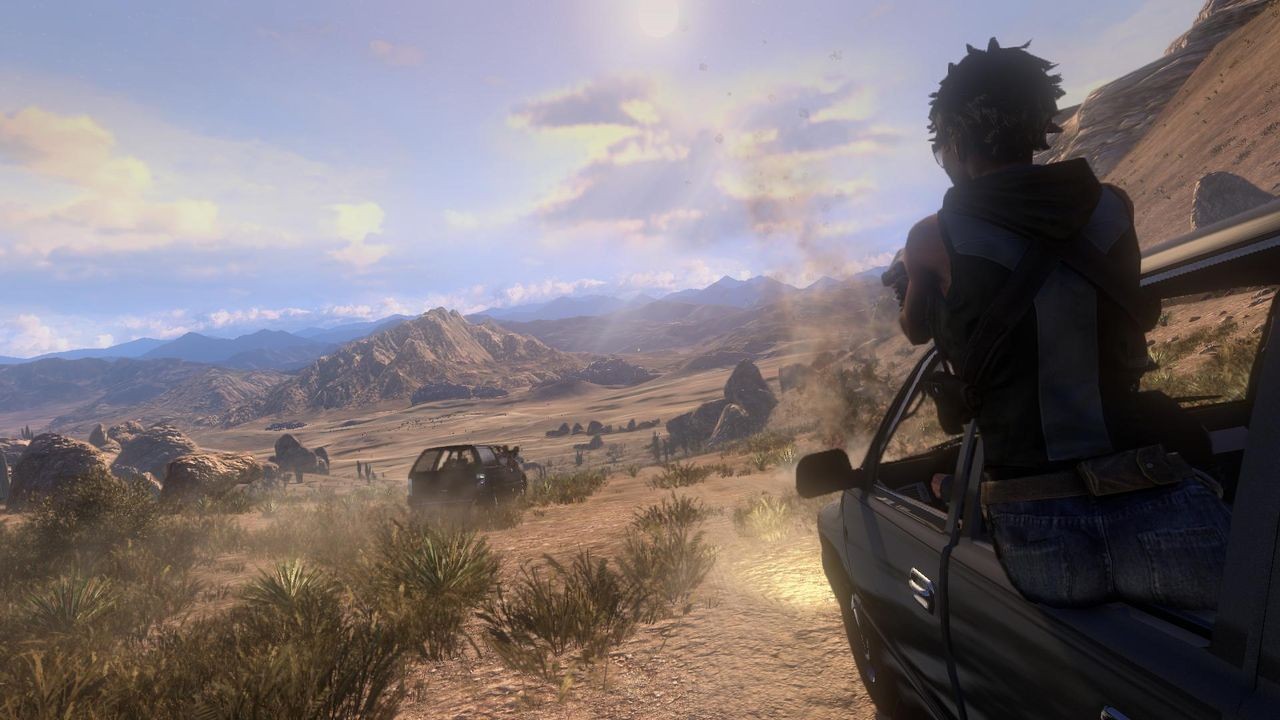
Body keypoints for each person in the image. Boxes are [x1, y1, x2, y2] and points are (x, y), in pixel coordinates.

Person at [889, 38, 1230, 609]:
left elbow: (915, 331)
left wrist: (910, 280)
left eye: (941, 147)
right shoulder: (1113, 205)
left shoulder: (931, 237)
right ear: (1037, 125)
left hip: (1034, 514)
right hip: (1152, 488)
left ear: (955, 143)